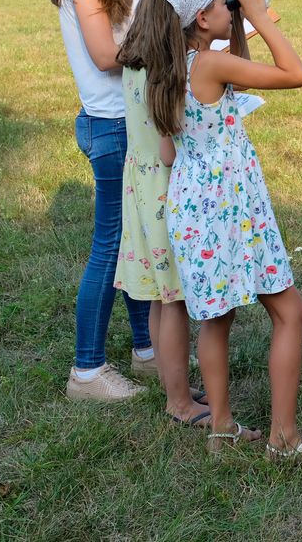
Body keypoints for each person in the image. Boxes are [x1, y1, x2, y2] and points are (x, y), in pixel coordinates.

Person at [131, 0, 302, 460]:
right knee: (291, 312)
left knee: (217, 319)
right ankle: (284, 438)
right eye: (225, 4)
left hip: (191, 208)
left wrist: (237, 22)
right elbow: (295, 74)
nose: (233, 8)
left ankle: (221, 430)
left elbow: (169, 153)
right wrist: (260, 16)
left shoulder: (167, 70)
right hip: (233, 206)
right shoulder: (210, 65)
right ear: (201, 18)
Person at [51, 0, 154, 401]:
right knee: (111, 247)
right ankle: (87, 372)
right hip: (111, 128)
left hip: (129, 122)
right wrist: (167, 40)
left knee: (135, 241)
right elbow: (107, 55)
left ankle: (146, 351)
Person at [110, 50, 209, 427]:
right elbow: (169, 152)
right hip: (165, 189)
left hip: (140, 184)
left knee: (159, 295)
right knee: (174, 299)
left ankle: (174, 387)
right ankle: (180, 403)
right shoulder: (164, 72)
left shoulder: (134, 64)